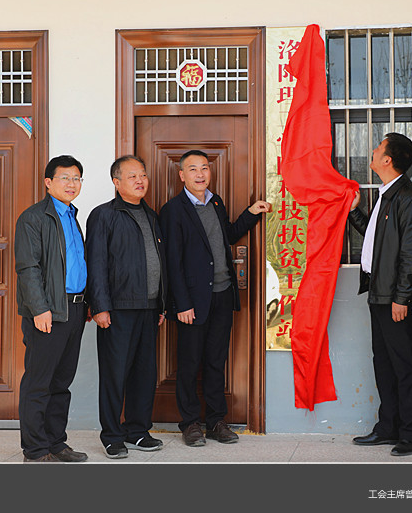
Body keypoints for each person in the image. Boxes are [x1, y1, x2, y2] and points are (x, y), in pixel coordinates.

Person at [160, 150, 271, 447]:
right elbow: (172, 261)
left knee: (215, 361)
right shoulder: (173, 210)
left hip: (222, 295)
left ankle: (216, 422)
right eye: (193, 169)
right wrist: (182, 304)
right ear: (181, 175)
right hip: (192, 302)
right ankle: (190, 424)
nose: (200, 174)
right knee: (189, 364)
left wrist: (251, 213)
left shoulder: (216, 202)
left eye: (204, 168)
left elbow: (228, 235)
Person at [348, 133, 412, 457]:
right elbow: (376, 240)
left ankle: (411, 434)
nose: (372, 150)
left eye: (378, 147)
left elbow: (411, 253)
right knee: (384, 363)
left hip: (395, 299)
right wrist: (354, 212)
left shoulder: (407, 198)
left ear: (388, 159)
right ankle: (388, 427)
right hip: (379, 293)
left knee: (406, 364)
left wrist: (402, 297)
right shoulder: (388, 194)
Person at [86, 155, 167, 459]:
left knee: (144, 374)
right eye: (132, 176)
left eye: (142, 175)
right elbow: (96, 263)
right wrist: (100, 306)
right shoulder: (103, 215)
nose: (140, 180)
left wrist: (162, 304)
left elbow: (161, 264)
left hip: (149, 308)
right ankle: (112, 436)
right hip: (117, 309)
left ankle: (138, 431)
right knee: (114, 374)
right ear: (116, 182)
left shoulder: (152, 215)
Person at [14, 154, 89, 463]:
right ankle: (35, 451)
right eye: (65, 178)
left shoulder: (72, 216)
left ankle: (56, 443)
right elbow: (28, 268)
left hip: (75, 310)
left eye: (77, 178)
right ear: (48, 182)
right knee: (39, 383)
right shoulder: (33, 218)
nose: (72, 184)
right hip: (48, 312)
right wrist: (39, 309)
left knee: (61, 383)